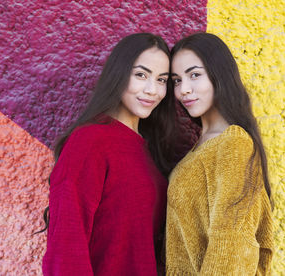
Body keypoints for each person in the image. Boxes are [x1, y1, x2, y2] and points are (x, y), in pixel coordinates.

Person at [40, 33, 176, 275]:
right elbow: (66, 246)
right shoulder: (90, 140)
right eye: (141, 75)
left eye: (162, 79)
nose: (152, 90)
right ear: (119, 75)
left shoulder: (148, 150)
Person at [166, 32, 274, 275]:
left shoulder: (233, 143)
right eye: (176, 80)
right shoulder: (202, 146)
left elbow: (231, 243)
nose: (184, 89)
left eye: (194, 75)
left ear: (219, 76)